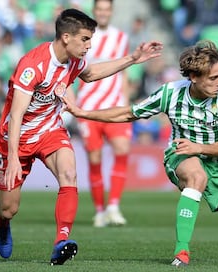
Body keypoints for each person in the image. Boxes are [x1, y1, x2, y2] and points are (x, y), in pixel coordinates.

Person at [62, 40, 218, 266]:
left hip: (216, 163)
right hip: (180, 155)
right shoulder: (170, 93)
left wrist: (199, 148)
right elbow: (128, 114)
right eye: (213, 78)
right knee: (196, 176)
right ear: (193, 77)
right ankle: (181, 252)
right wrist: (83, 113)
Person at [0, 8, 163, 266]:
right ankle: (1, 221)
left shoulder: (73, 60)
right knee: (9, 208)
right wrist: (14, 156)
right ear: (66, 38)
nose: (89, 45)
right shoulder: (32, 65)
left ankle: (61, 241)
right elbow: (16, 115)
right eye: (85, 39)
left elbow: (91, 74)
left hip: (50, 129)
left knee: (69, 175)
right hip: (16, 138)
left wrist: (132, 59)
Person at [75, 0, 131, 227]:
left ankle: (114, 206)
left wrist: (126, 101)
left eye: (107, 10)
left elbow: (124, 72)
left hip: (115, 105)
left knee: (122, 149)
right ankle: (99, 210)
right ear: (94, 11)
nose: (103, 13)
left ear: (111, 11)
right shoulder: (85, 37)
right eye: (99, 10)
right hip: (88, 107)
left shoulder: (121, 38)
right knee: (95, 158)